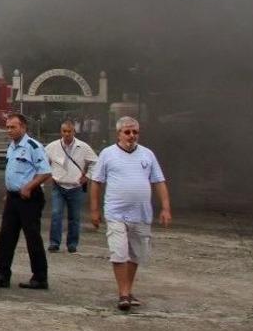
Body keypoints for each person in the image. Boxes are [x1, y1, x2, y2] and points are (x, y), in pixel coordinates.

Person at [89, 116, 171, 312]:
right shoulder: (107, 154)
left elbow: (158, 181)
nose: (132, 135)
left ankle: (128, 289)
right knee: (119, 253)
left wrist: (166, 207)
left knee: (135, 255)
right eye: (127, 132)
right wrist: (94, 210)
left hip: (141, 214)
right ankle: (123, 294)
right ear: (118, 134)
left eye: (135, 132)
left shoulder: (147, 155)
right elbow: (96, 182)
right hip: (116, 212)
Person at [0, 112, 52, 289]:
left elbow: (45, 171)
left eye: (13, 127)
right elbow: (12, 172)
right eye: (7, 127)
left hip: (29, 198)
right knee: (6, 236)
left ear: (23, 127)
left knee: (32, 237)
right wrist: (9, 191)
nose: (9, 130)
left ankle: (39, 277)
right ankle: (2, 273)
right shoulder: (11, 147)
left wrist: (29, 187)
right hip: (13, 197)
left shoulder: (32, 146)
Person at [44, 120, 98, 253]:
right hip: (59, 185)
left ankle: (72, 244)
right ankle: (54, 243)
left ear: (74, 131)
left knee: (75, 217)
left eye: (70, 131)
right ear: (61, 132)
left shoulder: (83, 147)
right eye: (64, 131)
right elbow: (43, 162)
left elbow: (96, 162)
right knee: (56, 214)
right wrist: (48, 175)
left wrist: (88, 176)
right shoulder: (52, 147)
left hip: (76, 187)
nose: (67, 134)